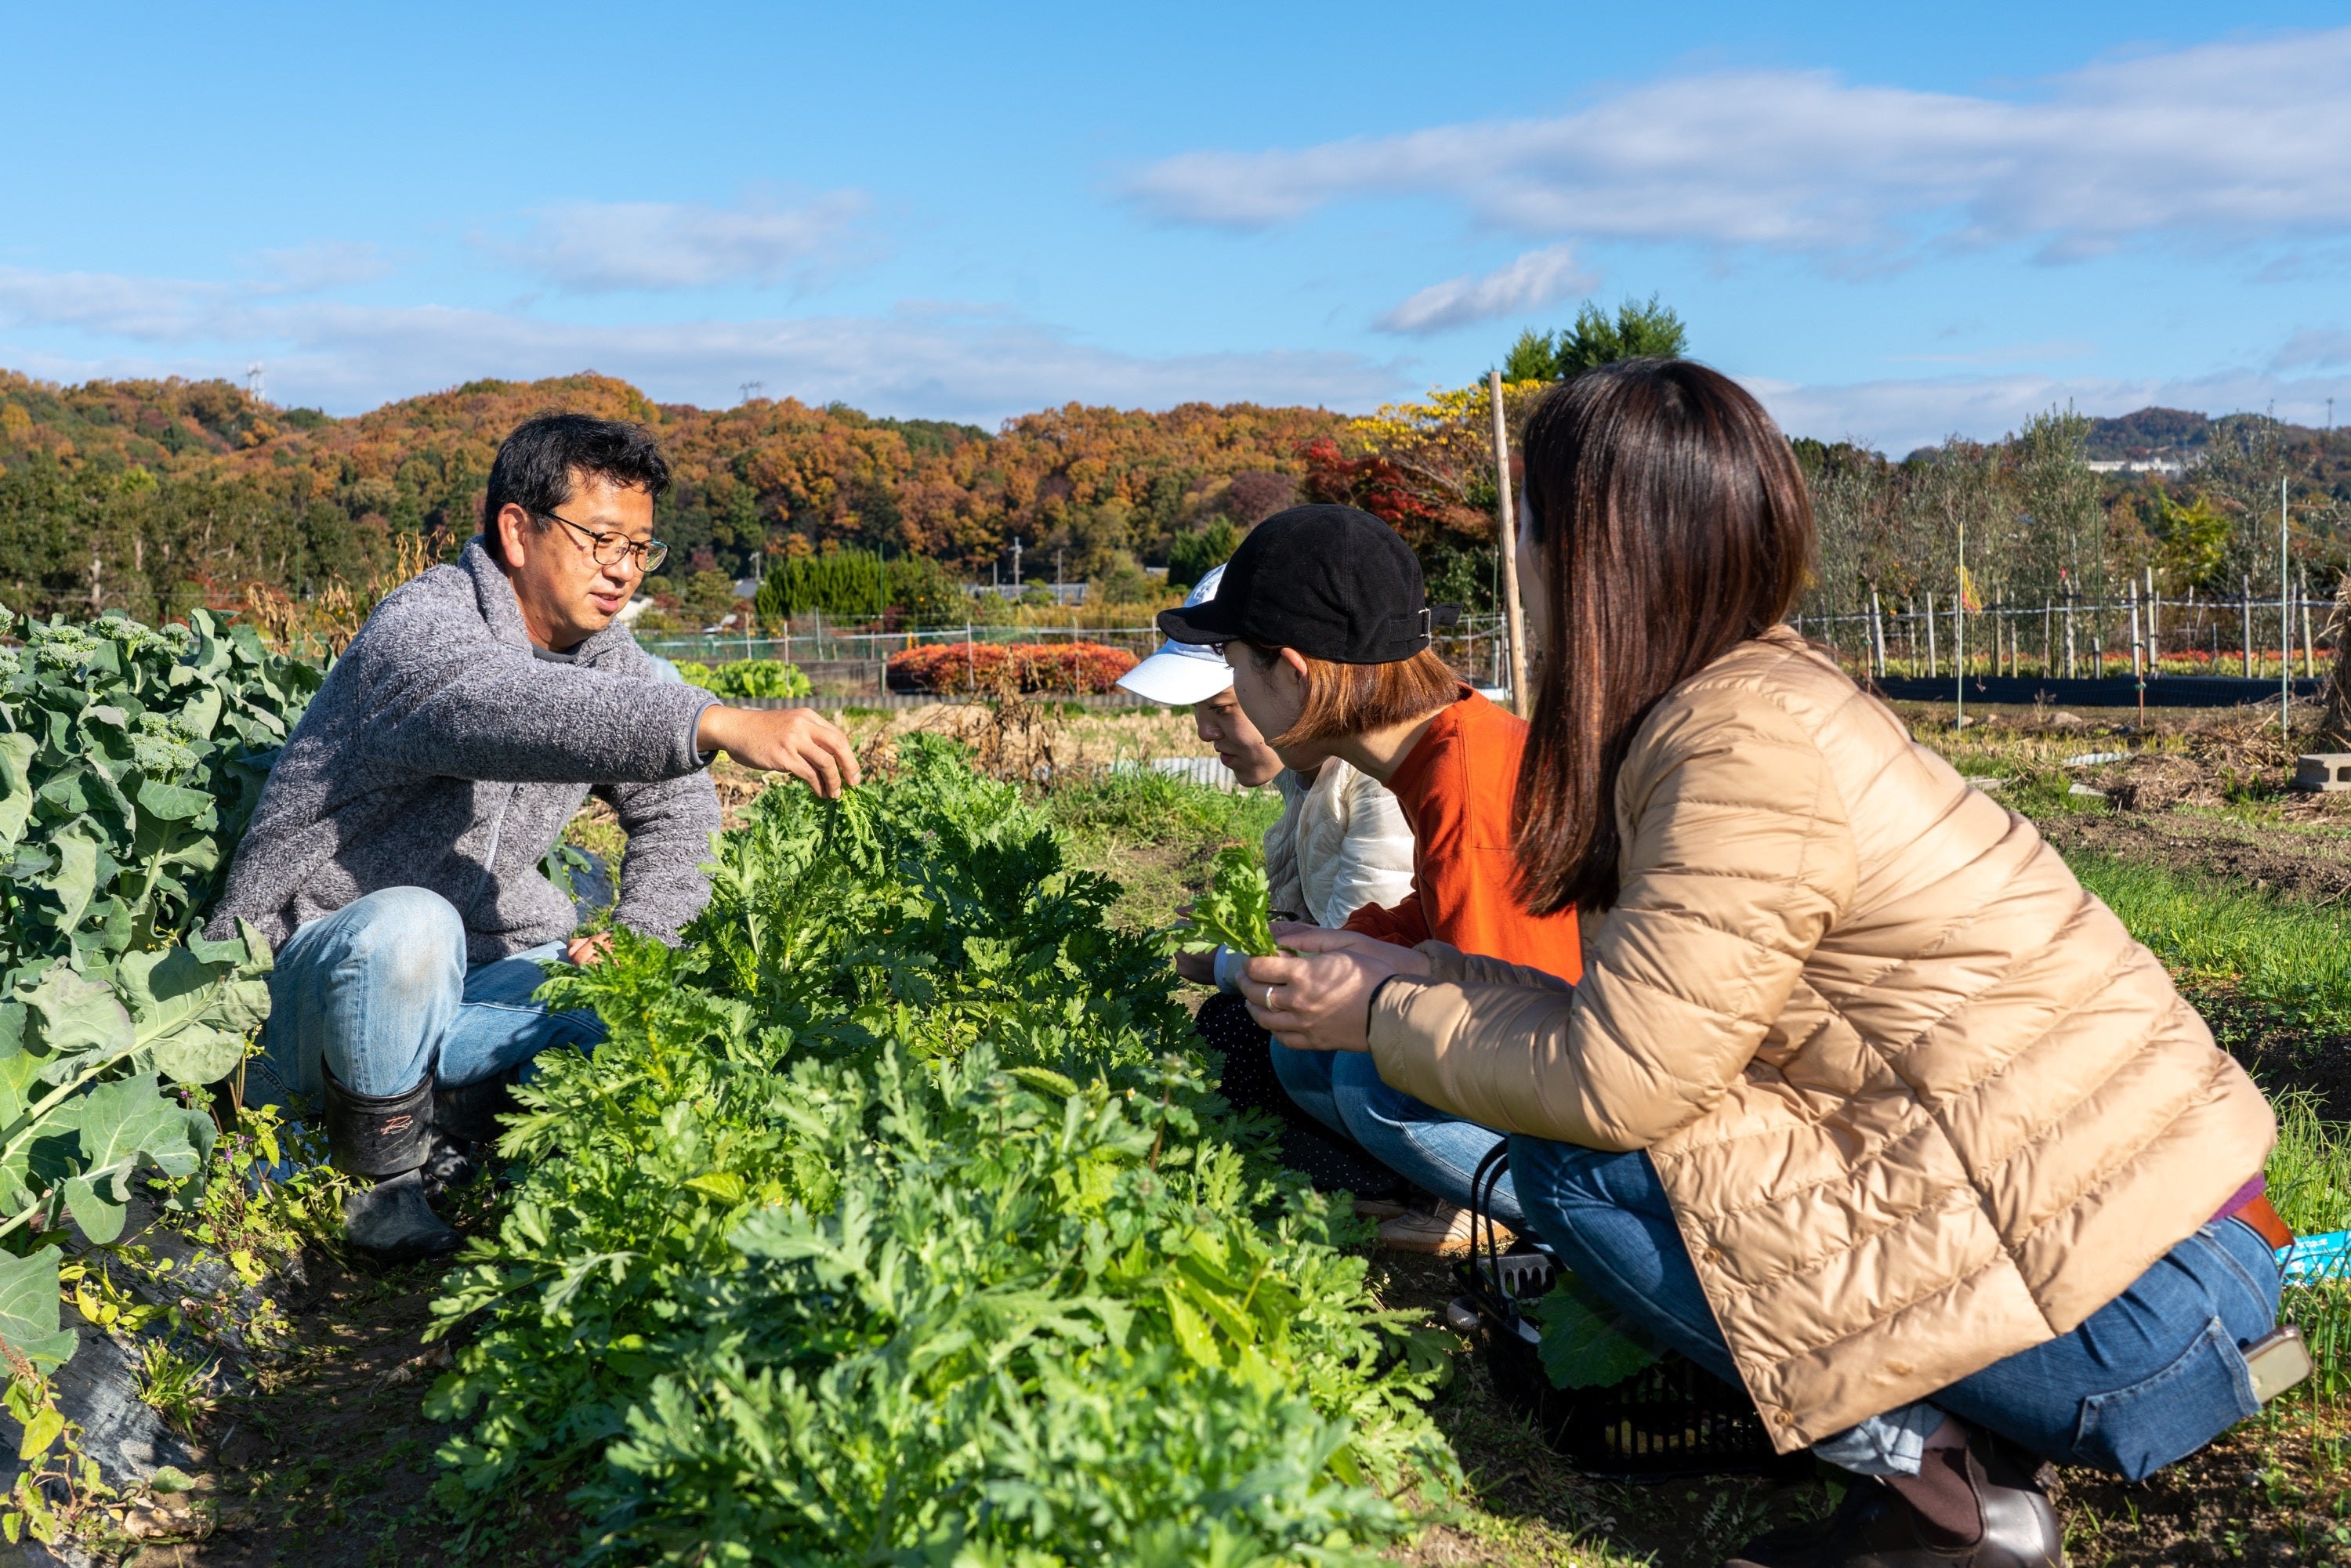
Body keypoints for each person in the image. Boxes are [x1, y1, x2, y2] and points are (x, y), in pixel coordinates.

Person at [1246, 362, 2282, 1568]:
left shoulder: (1733, 745)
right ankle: (1960, 1446)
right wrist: (1419, 975)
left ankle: (1953, 1503)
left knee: (1583, 1166)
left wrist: (1386, 1011)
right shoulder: (1751, 699)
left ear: (1592, 553)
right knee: (1634, 1136)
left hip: (2149, 1309)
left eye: (1527, 522)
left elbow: (1614, 1084)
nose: (1514, 561)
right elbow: (1647, 1027)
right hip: (2153, 1244)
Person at [208, 414, 862, 1262]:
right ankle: (379, 1187)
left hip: (468, 987)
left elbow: (678, 810)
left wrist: (642, 946)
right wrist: (708, 716)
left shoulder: (607, 657)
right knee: (412, 923)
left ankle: (492, 1156)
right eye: (601, 541)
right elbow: (496, 707)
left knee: (635, 1014)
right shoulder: (425, 626)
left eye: (640, 548)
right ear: (517, 530)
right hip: (302, 998)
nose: (623, 571)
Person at [1154, 505, 1581, 1255]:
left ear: (1290, 671)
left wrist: (1365, 996)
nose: (1221, 711)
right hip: (1566, 1065)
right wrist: (1323, 944)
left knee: (1370, 1084)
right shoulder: (1442, 751)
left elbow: (1511, 1015)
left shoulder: (1467, 792)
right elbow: (1437, 919)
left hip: (1591, 1109)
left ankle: (1552, 1225)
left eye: (1233, 665)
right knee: (1304, 1048)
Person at [1117, 565, 1417, 1195]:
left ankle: (1410, 1186)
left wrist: (1221, 960)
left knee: (1258, 1045)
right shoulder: (1306, 775)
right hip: (1381, 1021)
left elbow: (1353, 962)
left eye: (1223, 707)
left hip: (1411, 1043)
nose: (1204, 731)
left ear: (1288, 676)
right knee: (1234, 1039)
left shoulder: (1380, 786)